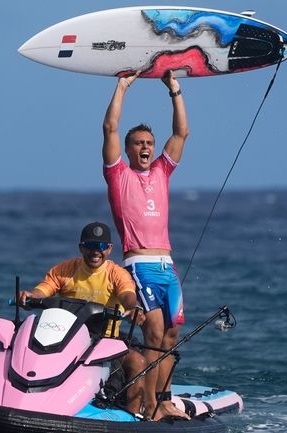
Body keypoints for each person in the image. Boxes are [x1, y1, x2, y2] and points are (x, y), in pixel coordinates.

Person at [101, 70, 191, 421]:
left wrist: (174, 89)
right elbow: (109, 128)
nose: (145, 148)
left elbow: (182, 132)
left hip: (167, 266)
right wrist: (122, 87)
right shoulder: (118, 175)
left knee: (170, 334)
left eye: (149, 144)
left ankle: (164, 399)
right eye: (138, 143)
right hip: (139, 266)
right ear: (127, 149)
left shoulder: (161, 172)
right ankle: (150, 406)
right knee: (152, 332)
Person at [17, 221, 147, 416]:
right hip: (65, 339)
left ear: (109, 249)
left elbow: (128, 295)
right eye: (90, 246)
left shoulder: (117, 274)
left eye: (101, 247)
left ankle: (132, 417)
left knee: (137, 361)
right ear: (81, 247)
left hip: (106, 341)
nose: (96, 252)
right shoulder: (64, 270)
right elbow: (42, 290)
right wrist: (30, 295)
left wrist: (133, 308)